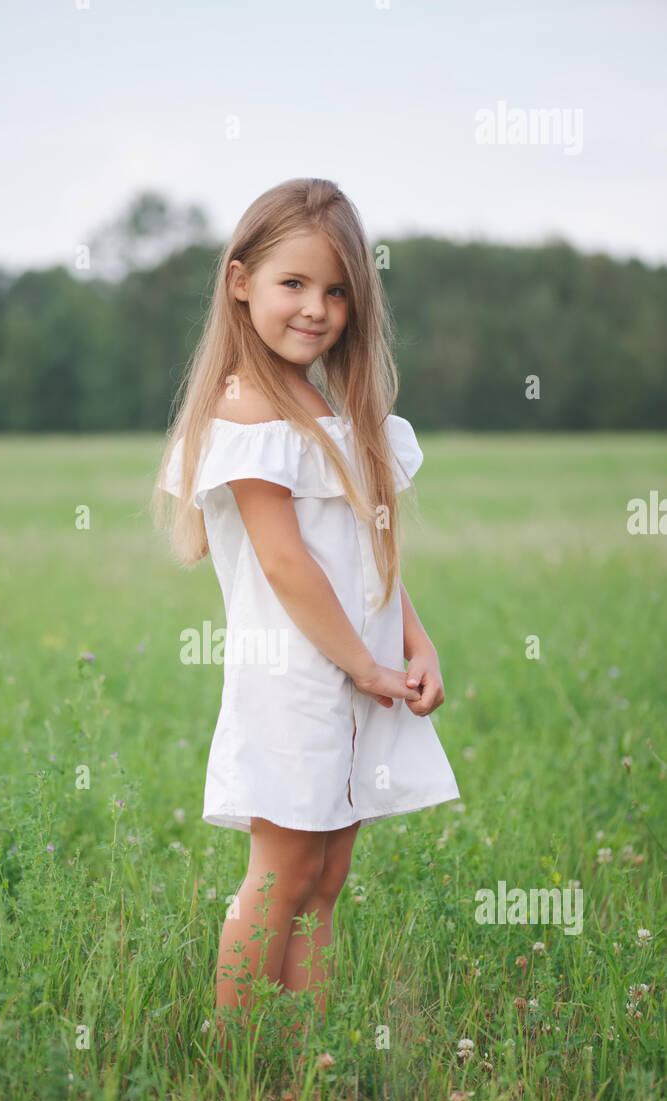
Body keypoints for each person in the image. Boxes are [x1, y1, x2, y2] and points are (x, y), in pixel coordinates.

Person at [152, 177, 461, 1051]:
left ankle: (304, 1058)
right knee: (280, 877)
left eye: (335, 291)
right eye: (294, 284)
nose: (317, 308)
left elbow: (367, 561)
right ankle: (245, 1060)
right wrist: (363, 667)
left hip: (359, 672)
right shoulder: (245, 413)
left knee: (325, 879)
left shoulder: (339, 412)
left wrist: (412, 641)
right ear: (240, 280)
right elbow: (287, 565)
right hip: (294, 682)